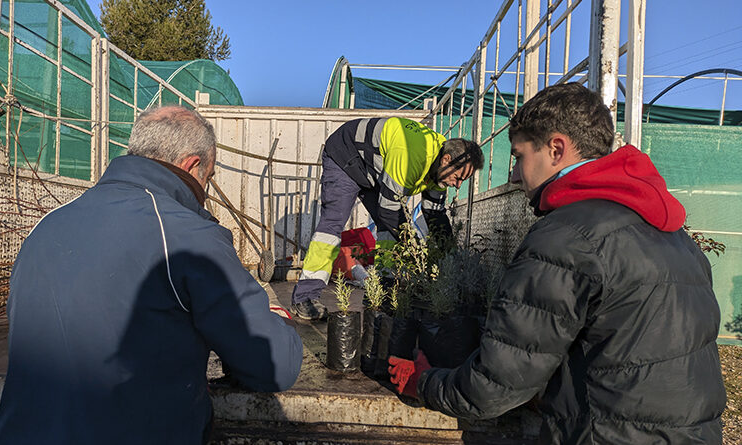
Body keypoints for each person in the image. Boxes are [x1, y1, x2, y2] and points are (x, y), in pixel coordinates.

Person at [388, 83, 726, 444]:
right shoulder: (675, 236)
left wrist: (423, 381)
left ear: (556, 148)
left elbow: (495, 385)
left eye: (518, 157)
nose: (515, 176)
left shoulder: (566, 238)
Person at [0, 106, 303, 445]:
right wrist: (278, 319)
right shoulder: (188, 234)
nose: (207, 189)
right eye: (209, 177)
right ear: (192, 165)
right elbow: (274, 365)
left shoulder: (45, 226)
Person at [291, 117, 483, 320]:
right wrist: (413, 249)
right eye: (459, 177)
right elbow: (389, 210)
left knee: (388, 231)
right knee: (333, 224)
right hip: (346, 156)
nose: (458, 185)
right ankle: (305, 297)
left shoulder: (440, 171)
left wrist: (450, 257)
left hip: (374, 169)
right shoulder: (411, 154)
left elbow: (435, 216)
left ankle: (381, 294)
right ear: (446, 160)